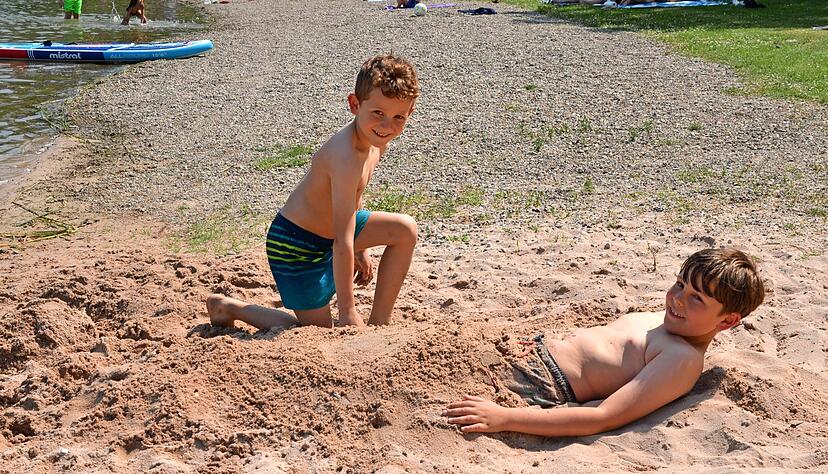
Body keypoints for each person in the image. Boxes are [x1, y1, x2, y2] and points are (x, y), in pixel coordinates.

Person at [443, 248, 765, 437]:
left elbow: (604, 416)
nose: (677, 299)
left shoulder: (681, 358)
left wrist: (504, 418)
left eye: (696, 298)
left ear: (727, 320)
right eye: (679, 284)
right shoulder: (670, 321)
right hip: (528, 350)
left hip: (540, 382)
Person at [207, 54, 420, 330]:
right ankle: (230, 307)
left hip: (333, 232)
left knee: (405, 230)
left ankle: (380, 324)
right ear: (355, 104)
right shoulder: (345, 156)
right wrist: (348, 311)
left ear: (410, 113)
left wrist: (361, 248)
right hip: (295, 245)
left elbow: (354, 198)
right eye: (378, 113)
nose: (387, 125)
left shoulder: (377, 140)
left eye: (398, 117)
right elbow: (342, 241)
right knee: (314, 332)